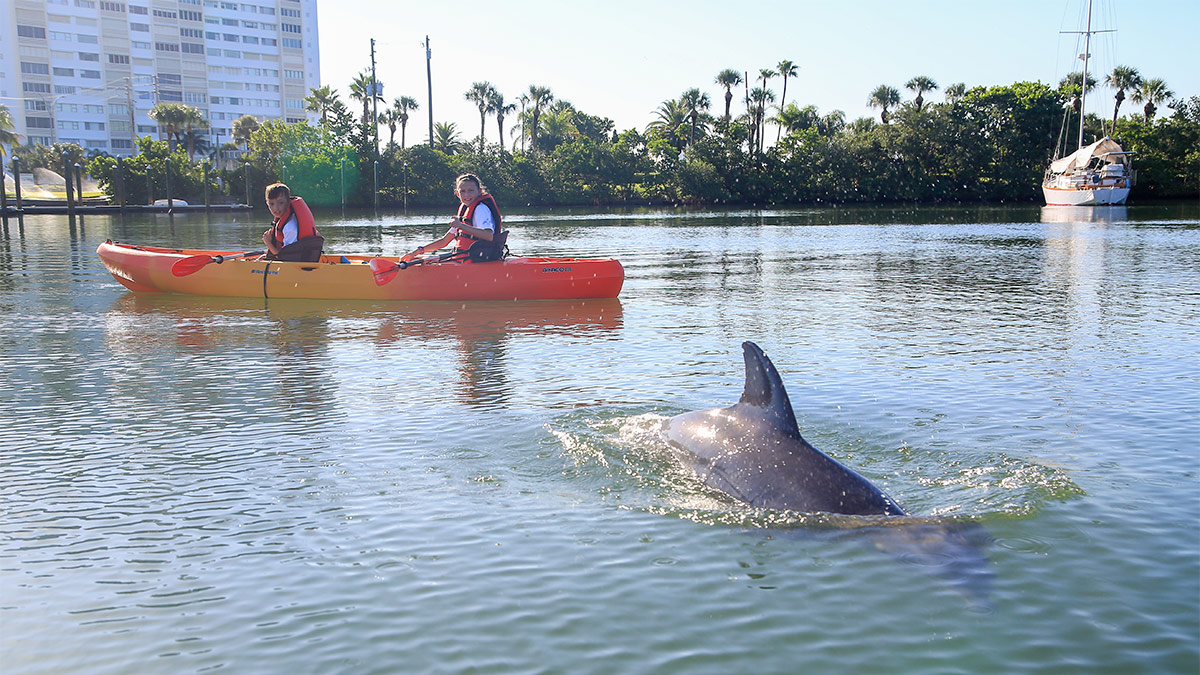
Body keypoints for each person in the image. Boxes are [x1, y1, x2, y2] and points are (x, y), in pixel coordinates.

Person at [404, 173, 506, 263]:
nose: (467, 195)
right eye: (463, 191)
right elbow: (444, 241)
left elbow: (489, 236)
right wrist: (416, 252)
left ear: (479, 191)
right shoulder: (465, 211)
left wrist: (461, 225)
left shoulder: (480, 209)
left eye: (471, 190)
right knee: (427, 259)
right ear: (457, 193)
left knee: (430, 261)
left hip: (476, 261)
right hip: (463, 259)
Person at [262, 182, 324, 262]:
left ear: (288, 202)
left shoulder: (290, 227)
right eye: (271, 204)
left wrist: (268, 243)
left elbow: (286, 260)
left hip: (296, 266)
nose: (276, 208)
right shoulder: (292, 218)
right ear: (267, 203)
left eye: (280, 203)